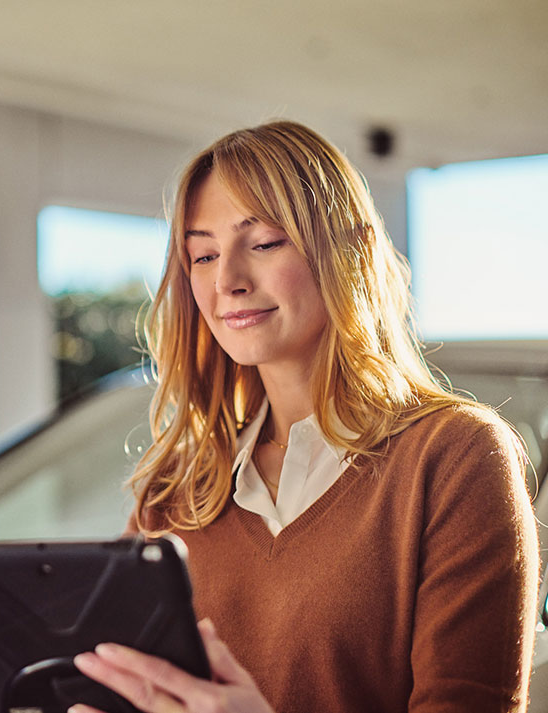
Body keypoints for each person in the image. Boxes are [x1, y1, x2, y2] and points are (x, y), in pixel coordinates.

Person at [70, 121, 539, 713]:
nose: (228, 282)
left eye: (264, 242)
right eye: (204, 254)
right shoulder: (173, 495)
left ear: (351, 250)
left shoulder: (456, 458)